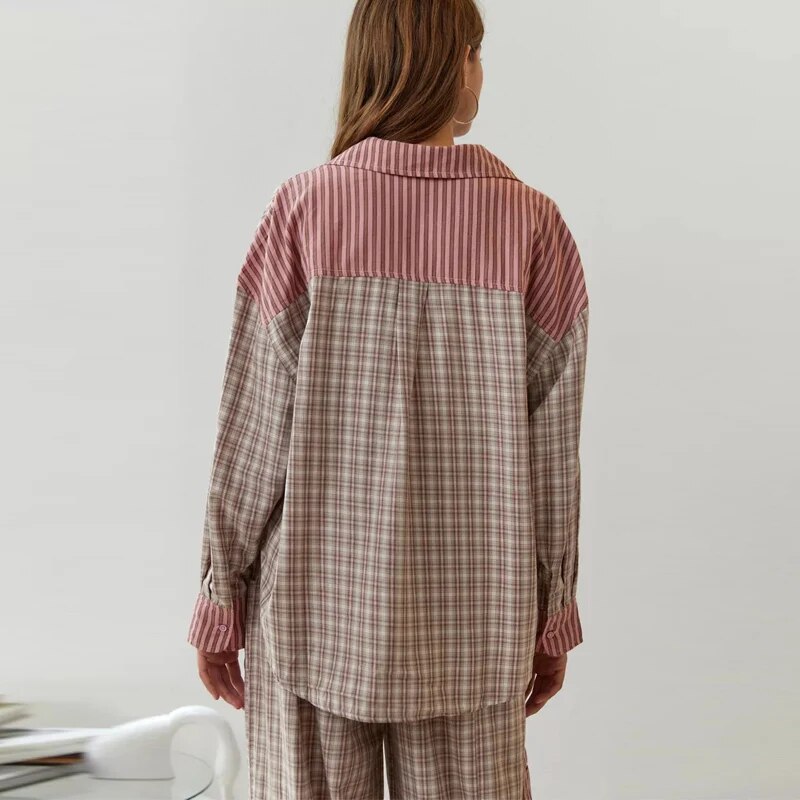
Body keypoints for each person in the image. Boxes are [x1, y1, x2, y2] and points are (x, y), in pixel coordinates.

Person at [186, 0, 589, 797]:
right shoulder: (534, 227)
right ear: (448, 65)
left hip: (311, 618)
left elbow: (252, 433)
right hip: (476, 632)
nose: (482, 74)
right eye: (476, 53)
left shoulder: (303, 211)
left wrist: (219, 597)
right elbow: (553, 457)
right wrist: (552, 614)